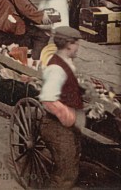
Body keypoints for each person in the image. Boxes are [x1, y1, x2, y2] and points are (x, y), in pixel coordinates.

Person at [37, 26, 84, 189]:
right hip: (56, 127)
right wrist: (68, 115)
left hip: (65, 126)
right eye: (77, 43)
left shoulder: (67, 62)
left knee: (71, 166)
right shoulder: (56, 69)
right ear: (69, 44)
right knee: (65, 174)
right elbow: (48, 99)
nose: (78, 47)